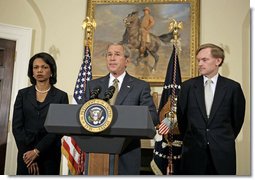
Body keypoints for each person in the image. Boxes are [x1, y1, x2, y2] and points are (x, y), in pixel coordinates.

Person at [84, 42, 158, 175]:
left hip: (127, 151)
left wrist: (126, 118)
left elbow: (152, 116)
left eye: (117, 54)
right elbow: (82, 114)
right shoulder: (93, 86)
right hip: (97, 152)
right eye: (109, 55)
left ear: (127, 61)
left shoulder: (140, 86)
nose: (112, 58)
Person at [176, 43, 245, 175]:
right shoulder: (187, 87)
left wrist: (221, 137)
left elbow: (237, 121)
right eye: (198, 60)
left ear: (218, 61)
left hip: (222, 152)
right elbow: (182, 119)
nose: (200, 64)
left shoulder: (233, 88)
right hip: (193, 152)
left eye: (204, 60)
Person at [12, 52, 69, 175]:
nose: (39, 70)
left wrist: (37, 151)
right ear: (31, 71)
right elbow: (17, 127)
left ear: (51, 71)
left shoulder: (61, 96)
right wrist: (29, 156)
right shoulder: (22, 94)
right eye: (36, 67)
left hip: (50, 154)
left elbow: (58, 129)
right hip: (25, 154)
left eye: (44, 67)